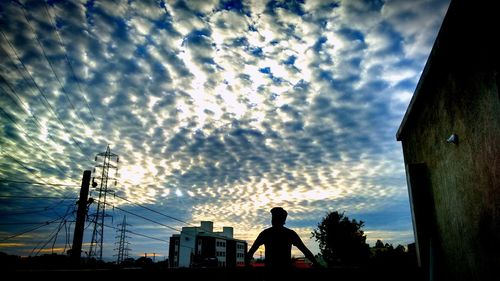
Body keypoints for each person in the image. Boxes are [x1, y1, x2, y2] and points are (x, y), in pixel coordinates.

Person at [246, 207, 320, 269]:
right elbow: (304, 250)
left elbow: (252, 250)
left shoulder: (266, 233)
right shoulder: (290, 234)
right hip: (285, 270)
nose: (273, 219)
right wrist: (315, 263)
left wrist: (247, 263)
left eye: (274, 217)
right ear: (284, 220)